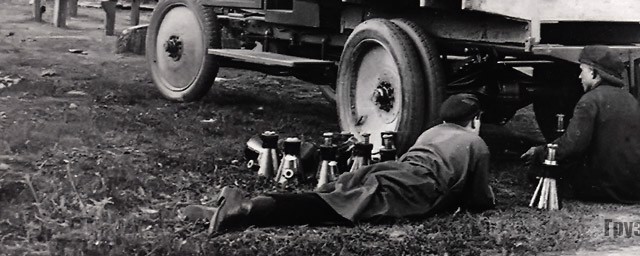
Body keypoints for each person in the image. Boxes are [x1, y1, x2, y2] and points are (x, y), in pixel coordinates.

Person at [204, 93, 494, 236]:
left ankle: (241, 209)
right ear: (476, 120)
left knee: (328, 195)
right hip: (412, 186)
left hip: (387, 171)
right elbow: (478, 197)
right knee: (330, 208)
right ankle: (245, 208)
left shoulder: (431, 132)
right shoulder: (476, 144)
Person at [522, 45, 640, 203]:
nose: (579, 77)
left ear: (595, 73)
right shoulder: (630, 99)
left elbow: (571, 147)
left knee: (545, 165)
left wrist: (540, 152)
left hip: (603, 188)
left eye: (582, 70)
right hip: (635, 187)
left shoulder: (590, 100)